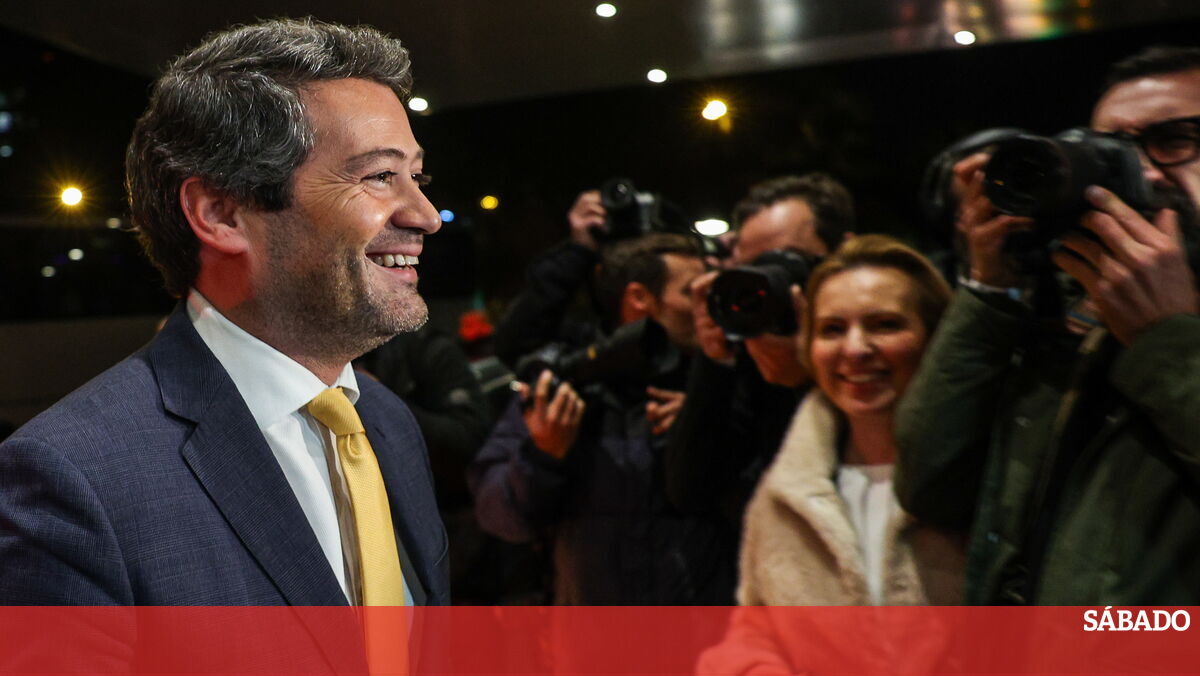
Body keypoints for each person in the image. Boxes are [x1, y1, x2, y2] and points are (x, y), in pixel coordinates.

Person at [0, 15, 449, 625]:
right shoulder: (72, 478)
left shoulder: (388, 422)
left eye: (416, 176)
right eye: (378, 176)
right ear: (221, 214)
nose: (426, 215)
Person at [895, 45, 1200, 604]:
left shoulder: (1152, 326)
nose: (1143, 173)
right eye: (1114, 149)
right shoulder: (1068, 311)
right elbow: (931, 488)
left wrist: (1166, 339)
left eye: (1176, 139)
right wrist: (990, 291)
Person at [696, 235, 960, 676]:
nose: (855, 349)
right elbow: (754, 629)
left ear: (935, 337)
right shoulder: (785, 495)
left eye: (885, 325)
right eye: (832, 330)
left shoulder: (983, 476)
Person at [469, 233, 738, 604]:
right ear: (639, 298)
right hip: (592, 631)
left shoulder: (722, 380)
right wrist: (543, 455)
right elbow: (498, 517)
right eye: (691, 292)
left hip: (708, 630)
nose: (708, 306)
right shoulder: (569, 384)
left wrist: (704, 419)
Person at [664, 173, 855, 527]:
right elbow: (690, 492)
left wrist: (807, 380)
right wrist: (714, 361)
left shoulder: (876, 343)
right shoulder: (753, 350)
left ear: (843, 253)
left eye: (786, 261)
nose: (768, 281)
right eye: (754, 268)